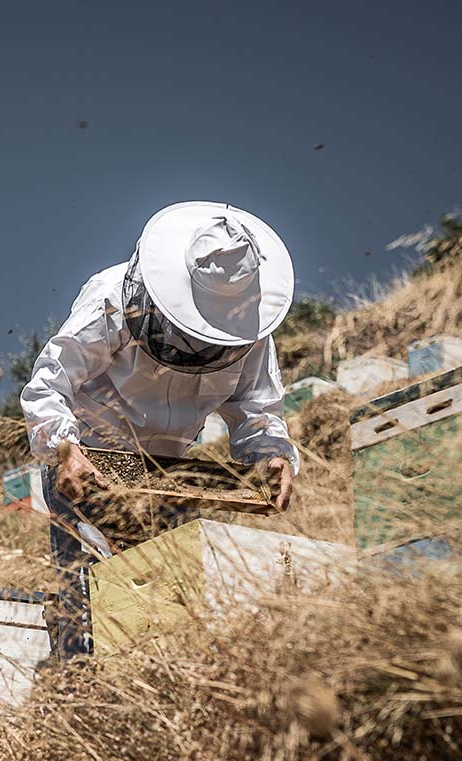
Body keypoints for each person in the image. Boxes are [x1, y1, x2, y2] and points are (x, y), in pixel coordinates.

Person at [20, 201, 300, 662]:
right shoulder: (111, 296)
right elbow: (50, 382)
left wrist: (271, 456)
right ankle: (82, 693)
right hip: (90, 461)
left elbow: (258, 411)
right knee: (89, 608)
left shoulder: (249, 330)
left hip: (172, 476)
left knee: (174, 611)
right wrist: (65, 448)